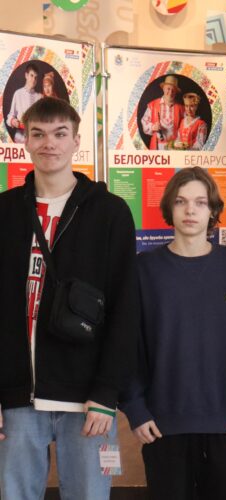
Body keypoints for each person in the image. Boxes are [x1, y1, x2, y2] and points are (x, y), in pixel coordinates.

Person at [0, 97, 139, 500]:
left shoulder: (110, 212)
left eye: (60, 134)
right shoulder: (5, 212)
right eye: (38, 134)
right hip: (17, 397)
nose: (49, 144)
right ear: (25, 141)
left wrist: (107, 393)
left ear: (77, 141)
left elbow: (125, 308)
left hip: (87, 399)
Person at [120, 166, 226, 500]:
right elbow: (128, 344)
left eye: (200, 202)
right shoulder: (145, 269)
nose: (190, 210)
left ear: (212, 210)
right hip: (161, 427)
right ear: (169, 208)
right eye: (181, 201)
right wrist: (135, 407)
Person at [141, 74, 184, 150]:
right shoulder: (153, 105)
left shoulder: (181, 108)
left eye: (173, 90)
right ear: (163, 88)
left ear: (176, 92)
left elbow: (185, 127)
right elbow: (144, 122)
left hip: (174, 147)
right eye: (168, 89)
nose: (170, 92)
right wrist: (153, 127)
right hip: (157, 146)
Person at [6, 62, 42, 143]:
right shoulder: (18, 93)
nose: (33, 79)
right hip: (20, 138)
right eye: (31, 75)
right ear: (26, 75)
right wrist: (13, 121)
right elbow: (10, 116)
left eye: (36, 77)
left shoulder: (39, 97)